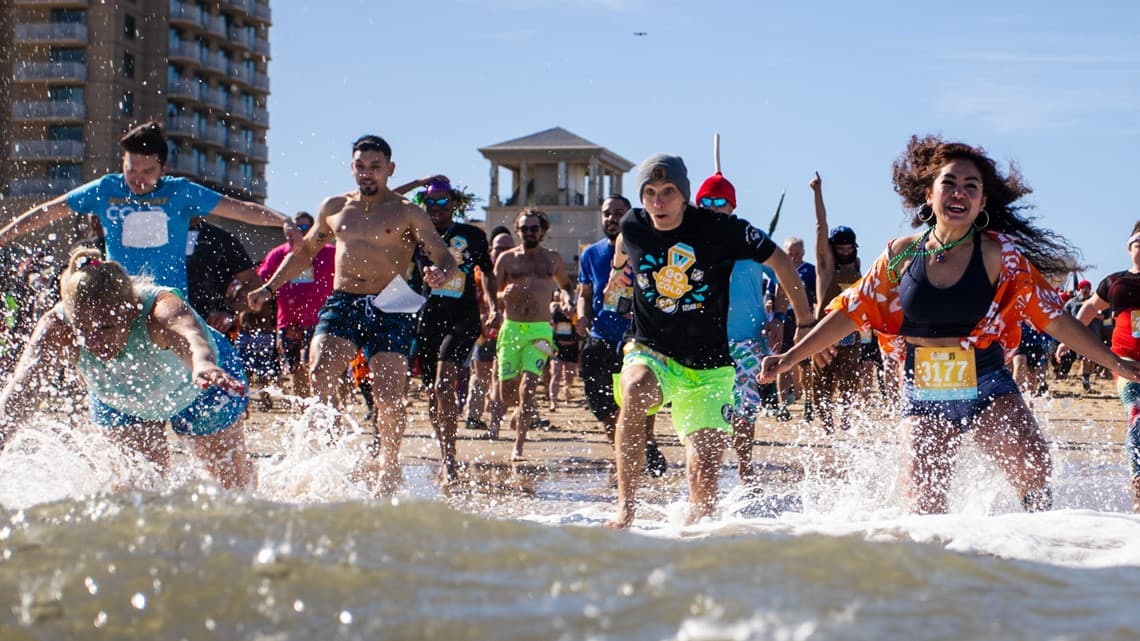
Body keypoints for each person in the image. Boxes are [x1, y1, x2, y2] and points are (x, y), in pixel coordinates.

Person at [759, 135, 1140, 514]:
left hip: (988, 380)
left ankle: (1032, 553)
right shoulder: (901, 254)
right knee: (924, 507)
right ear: (929, 195)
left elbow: (1053, 318)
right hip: (923, 390)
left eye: (971, 186)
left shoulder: (999, 256)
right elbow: (853, 310)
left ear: (982, 202)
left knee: (1034, 466)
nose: (960, 193)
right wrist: (790, 358)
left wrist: (1116, 363)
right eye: (950, 183)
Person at [605, 154, 813, 529]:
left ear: (685, 196)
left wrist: (805, 320)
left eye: (668, 192)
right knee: (635, 390)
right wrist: (618, 273)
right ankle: (625, 508)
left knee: (703, 492)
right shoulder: (633, 225)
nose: (659, 201)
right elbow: (622, 244)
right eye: (650, 193)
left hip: (709, 368)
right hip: (652, 351)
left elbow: (781, 261)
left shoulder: (722, 229)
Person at [248, 135, 457, 495]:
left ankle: (388, 467)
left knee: (389, 398)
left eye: (375, 167)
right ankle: (332, 453)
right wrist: (269, 288)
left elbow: (444, 255)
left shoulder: (408, 211)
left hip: (391, 304)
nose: (367, 174)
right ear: (352, 167)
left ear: (390, 170)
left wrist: (442, 273)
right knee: (320, 370)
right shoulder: (334, 207)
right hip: (344, 300)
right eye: (360, 166)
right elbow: (303, 255)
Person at [0, 248, 254, 489]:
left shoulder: (158, 308)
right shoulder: (57, 326)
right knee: (139, 494)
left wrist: (203, 363)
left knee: (230, 489)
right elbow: (19, 395)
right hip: (121, 399)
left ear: (131, 310)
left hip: (205, 383)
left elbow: (191, 337)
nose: (94, 342)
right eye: (83, 330)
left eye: (105, 328)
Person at [0, 120, 299, 294]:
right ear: (122, 163)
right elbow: (50, 210)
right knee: (54, 323)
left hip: (167, 295)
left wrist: (283, 220)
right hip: (119, 295)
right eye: (132, 170)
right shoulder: (106, 189)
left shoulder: (180, 192)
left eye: (147, 172)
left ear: (163, 168)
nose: (138, 180)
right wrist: (5, 234)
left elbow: (241, 209)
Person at [694, 171, 787, 482]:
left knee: (745, 408)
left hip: (748, 341)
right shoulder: (691, 242)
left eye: (720, 201)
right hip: (706, 342)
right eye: (705, 201)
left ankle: (746, 472)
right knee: (710, 412)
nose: (712, 206)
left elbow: (783, 277)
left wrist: (779, 318)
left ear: (732, 206)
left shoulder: (751, 239)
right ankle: (710, 476)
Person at [411, 178, 497, 481]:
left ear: (455, 203)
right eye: (430, 201)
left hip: (463, 318)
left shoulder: (472, 234)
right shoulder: (416, 234)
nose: (435, 207)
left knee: (444, 384)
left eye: (442, 201)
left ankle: (449, 459)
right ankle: (445, 448)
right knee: (432, 392)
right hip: (428, 318)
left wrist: (493, 304)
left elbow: (487, 273)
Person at [576, 195, 668, 476]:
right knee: (600, 401)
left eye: (618, 213)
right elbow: (586, 292)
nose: (611, 218)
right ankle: (629, 450)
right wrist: (581, 316)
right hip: (600, 334)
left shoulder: (648, 248)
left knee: (640, 393)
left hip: (637, 335)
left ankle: (643, 445)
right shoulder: (591, 253)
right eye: (606, 213)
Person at [1067, 223, 1140, 510]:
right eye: (1138, 242)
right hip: (1125, 361)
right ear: (1129, 246)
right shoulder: (1115, 281)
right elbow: (1090, 309)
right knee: (1137, 416)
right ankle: (1138, 480)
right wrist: (1068, 340)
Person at [492, 208, 575, 460]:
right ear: (517, 231)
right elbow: (493, 293)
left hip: (540, 330)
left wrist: (568, 299)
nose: (529, 232)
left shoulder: (552, 259)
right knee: (507, 393)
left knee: (529, 387)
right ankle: (519, 411)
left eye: (534, 228)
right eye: (524, 228)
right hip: (512, 328)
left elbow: (566, 285)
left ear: (543, 231)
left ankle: (519, 446)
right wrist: (501, 297)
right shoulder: (506, 259)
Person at [257, 212, 335, 398]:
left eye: (303, 228)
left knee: (319, 368)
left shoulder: (330, 252)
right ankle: (304, 414)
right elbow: (260, 281)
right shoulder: (277, 255)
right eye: (293, 229)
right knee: (295, 369)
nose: (296, 233)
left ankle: (330, 410)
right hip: (289, 322)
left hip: (321, 321)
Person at [808, 173, 863, 433]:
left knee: (850, 383)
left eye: (848, 247)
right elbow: (821, 226)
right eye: (839, 247)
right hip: (823, 333)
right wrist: (817, 192)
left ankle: (845, 423)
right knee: (821, 384)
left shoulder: (860, 270)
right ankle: (827, 427)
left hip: (850, 335)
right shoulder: (826, 268)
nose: (844, 251)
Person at [465, 227, 513, 436]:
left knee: (503, 377)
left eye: (507, 248)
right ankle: (473, 417)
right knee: (481, 375)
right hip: (485, 331)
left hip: (511, 330)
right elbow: (475, 298)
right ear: (491, 249)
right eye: (498, 248)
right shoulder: (480, 270)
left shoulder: (517, 267)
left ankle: (497, 424)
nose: (502, 252)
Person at [186, 217, 265, 334]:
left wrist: (229, 312)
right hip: (161, 325)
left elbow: (253, 283)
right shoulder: (158, 234)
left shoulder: (220, 238)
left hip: (209, 327)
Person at [548, 290, 580, 411]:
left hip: (571, 345)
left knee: (569, 376)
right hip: (557, 346)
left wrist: (573, 315)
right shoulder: (555, 308)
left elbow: (578, 327)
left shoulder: (576, 309)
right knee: (555, 374)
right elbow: (549, 321)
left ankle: (567, 390)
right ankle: (553, 402)